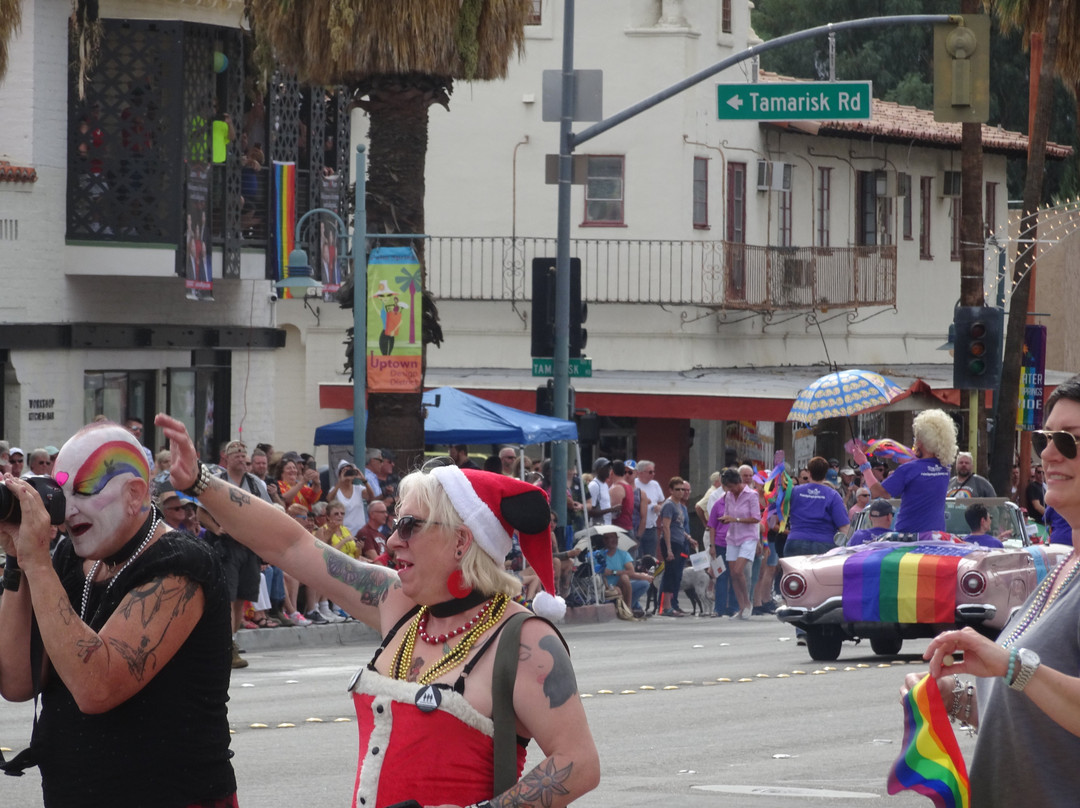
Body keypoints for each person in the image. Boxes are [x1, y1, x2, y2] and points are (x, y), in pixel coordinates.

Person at [155, 413, 600, 807]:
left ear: (461, 541)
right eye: (393, 525)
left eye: (409, 526)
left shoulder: (525, 640)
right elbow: (293, 545)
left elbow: (578, 763)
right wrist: (201, 483)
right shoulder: (398, 602)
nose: (392, 541)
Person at [0, 422, 236, 806]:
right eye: (61, 491)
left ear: (134, 494)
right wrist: (17, 558)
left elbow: (97, 687)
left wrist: (37, 564)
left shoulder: (180, 565)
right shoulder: (69, 559)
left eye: (83, 490)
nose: (66, 508)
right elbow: (16, 681)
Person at [901, 375, 1080, 806]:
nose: (1049, 454)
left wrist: (1012, 665)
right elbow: (1039, 716)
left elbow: (1022, 673)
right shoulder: (1066, 568)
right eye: (1044, 439)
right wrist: (954, 699)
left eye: (1070, 440)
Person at [851, 408, 956, 532]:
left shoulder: (909, 470)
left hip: (909, 537)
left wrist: (864, 464)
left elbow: (879, 493)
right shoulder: (945, 469)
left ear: (921, 442)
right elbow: (923, 467)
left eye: (916, 438)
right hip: (937, 536)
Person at [718, 467, 762, 620]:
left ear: (738, 482)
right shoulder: (728, 496)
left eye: (731, 486)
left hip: (748, 537)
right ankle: (741, 607)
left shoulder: (751, 495)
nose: (731, 490)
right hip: (732, 536)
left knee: (738, 571)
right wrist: (725, 518)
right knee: (733, 574)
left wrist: (735, 519)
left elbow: (756, 518)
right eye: (728, 488)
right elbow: (728, 513)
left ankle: (748, 602)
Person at [659, 477, 696, 616]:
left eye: (682, 489)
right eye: (677, 489)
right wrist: (668, 549)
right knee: (670, 573)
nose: (681, 492)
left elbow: (679, 526)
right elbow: (666, 527)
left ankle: (670, 605)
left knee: (676, 575)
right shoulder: (668, 505)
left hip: (680, 540)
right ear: (671, 490)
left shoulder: (680, 506)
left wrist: (689, 538)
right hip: (671, 542)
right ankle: (665, 606)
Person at [600, 530, 652, 618]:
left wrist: (613, 572)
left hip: (622, 583)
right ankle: (632, 607)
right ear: (604, 540)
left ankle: (628, 608)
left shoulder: (623, 554)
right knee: (623, 581)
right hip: (606, 585)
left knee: (641, 583)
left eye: (613, 537)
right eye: (608, 538)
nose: (611, 541)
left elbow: (631, 572)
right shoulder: (599, 554)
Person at [634, 460, 664, 559]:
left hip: (651, 527)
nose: (653, 474)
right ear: (641, 472)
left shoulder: (655, 484)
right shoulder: (634, 484)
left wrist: (659, 507)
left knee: (651, 558)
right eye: (650, 472)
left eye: (653, 471)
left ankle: (650, 574)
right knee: (636, 556)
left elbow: (661, 501)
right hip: (636, 527)